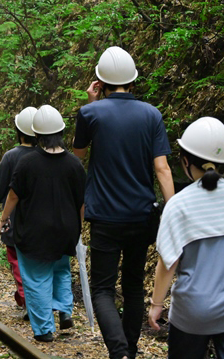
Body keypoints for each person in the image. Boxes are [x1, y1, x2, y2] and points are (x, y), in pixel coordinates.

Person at [72, 46, 174, 359]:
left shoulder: (90, 114)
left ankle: (119, 353)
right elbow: (162, 168)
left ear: (99, 82)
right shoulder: (151, 114)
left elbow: (78, 159)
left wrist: (92, 105)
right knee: (132, 286)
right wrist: (173, 212)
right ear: (133, 81)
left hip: (104, 216)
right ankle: (129, 348)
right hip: (141, 215)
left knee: (103, 288)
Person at [148, 117, 224, 359]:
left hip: (194, 311)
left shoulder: (179, 206)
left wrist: (156, 304)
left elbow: (168, 263)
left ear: (185, 161)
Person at [0, 104, 86, 342]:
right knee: (60, 269)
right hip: (66, 231)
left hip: (35, 233)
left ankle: (44, 329)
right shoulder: (74, 164)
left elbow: (14, 195)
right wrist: (78, 229)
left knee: (37, 278)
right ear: (61, 132)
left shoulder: (27, 163)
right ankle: (65, 311)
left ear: (36, 134)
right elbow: (81, 203)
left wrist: (4, 218)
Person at [0, 107, 38, 319]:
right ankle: (34, 299)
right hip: (41, 219)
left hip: (14, 218)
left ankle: (27, 300)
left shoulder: (11, 156)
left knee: (15, 259)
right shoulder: (46, 156)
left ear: (19, 131)